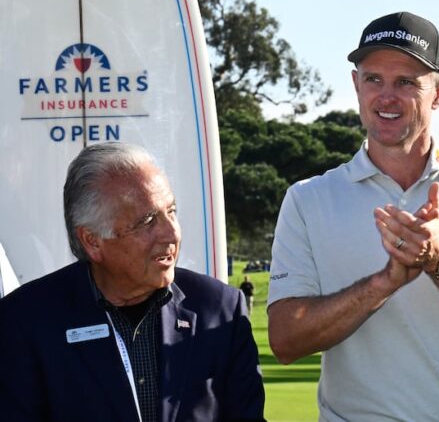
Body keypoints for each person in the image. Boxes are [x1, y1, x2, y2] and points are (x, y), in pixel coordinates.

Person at [266, 11, 439, 421]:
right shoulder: (308, 199)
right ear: (356, 85)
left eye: (406, 82)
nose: (386, 96)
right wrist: (382, 284)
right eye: (373, 79)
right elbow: (286, 339)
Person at [0, 142, 266, 421]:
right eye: (148, 221)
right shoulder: (24, 321)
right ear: (92, 241)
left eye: (171, 211)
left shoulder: (220, 309)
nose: (171, 234)